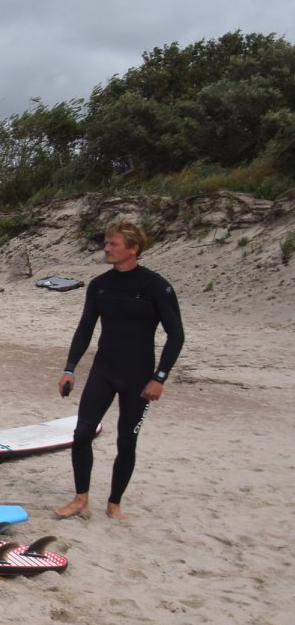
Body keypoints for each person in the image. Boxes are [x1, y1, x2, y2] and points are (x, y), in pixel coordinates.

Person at [55, 220, 184, 521]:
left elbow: (176, 335)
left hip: (138, 375)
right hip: (104, 369)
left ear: (134, 249)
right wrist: (70, 369)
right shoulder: (100, 285)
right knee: (82, 432)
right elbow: (85, 328)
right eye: (106, 242)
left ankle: (114, 504)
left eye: (113, 244)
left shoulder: (155, 286)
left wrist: (159, 378)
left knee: (127, 440)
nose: (106, 248)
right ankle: (80, 499)